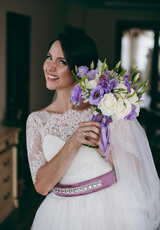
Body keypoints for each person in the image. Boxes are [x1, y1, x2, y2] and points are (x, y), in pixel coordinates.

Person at [26, 33, 160, 230]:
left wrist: (103, 147)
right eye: (48, 57)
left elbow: (136, 167)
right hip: (59, 216)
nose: (50, 67)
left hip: (110, 208)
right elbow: (42, 186)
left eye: (61, 61)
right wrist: (73, 142)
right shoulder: (37, 120)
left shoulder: (106, 109)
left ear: (81, 69)